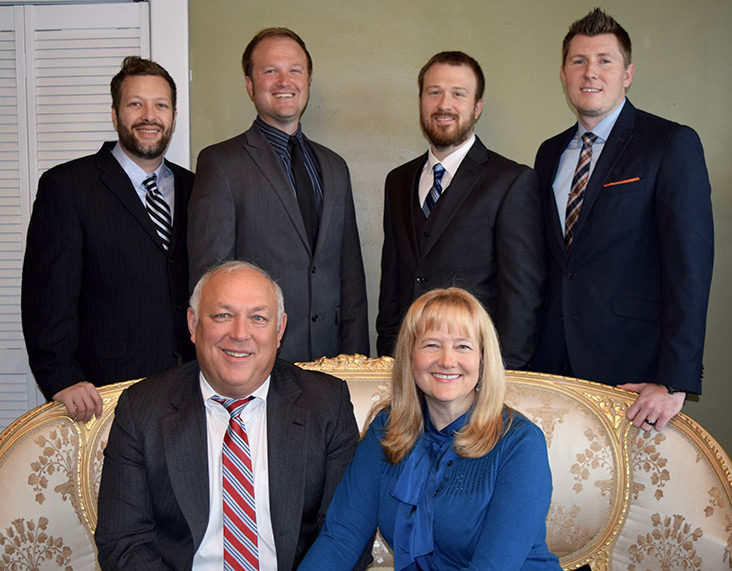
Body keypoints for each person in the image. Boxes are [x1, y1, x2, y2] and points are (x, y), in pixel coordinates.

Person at [95, 261, 365, 570]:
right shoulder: (143, 409)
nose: (239, 334)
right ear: (193, 323)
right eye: (223, 316)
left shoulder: (326, 404)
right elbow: (123, 543)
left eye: (258, 318)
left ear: (279, 330)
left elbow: (346, 536)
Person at [532, 8, 714, 432]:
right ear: (563, 74)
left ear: (627, 73)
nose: (590, 72)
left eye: (605, 60)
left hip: (633, 374)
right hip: (550, 366)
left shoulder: (670, 143)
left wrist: (673, 380)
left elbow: (689, 267)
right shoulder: (548, 153)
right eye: (579, 61)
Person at [300, 287, 559, 570]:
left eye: (463, 346)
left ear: (483, 360)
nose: (447, 361)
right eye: (432, 345)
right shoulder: (386, 429)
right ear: (410, 356)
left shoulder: (520, 443)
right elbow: (341, 537)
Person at [21, 56, 194, 423]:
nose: (149, 116)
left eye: (161, 105)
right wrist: (62, 377)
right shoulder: (67, 187)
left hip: (189, 386)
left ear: (174, 116)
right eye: (136, 104)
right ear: (115, 115)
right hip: (105, 392)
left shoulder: (196, 187)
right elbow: (46, 296)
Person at [188, 27, 368, 363]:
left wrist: (356, 358)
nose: (284, 81)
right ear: (249, 84)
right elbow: (211, 281)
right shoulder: (221, 164)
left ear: (308, 80)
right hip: (256, 360)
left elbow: (351, 277)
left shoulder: (334, 167)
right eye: (270, 71)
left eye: (295, 70)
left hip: (333, 361)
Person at [376, 51, 545, 369]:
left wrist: (506, 372)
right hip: (408, 365)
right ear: (421, 101)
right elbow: (393, 282)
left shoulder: (511, 181)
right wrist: (389, 355)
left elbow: (521, 293)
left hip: (476, 368)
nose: (444, 105)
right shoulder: (397, 181)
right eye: (434, 92)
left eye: (458, 94)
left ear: (477, 107)